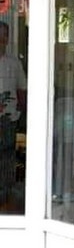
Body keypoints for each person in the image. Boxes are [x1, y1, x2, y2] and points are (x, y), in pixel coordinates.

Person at [0, 20, 27, 208]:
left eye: (5, 35)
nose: (2, 39)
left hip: (10, 119)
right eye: (0, 35)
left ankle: (6, 195)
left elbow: (21, 90)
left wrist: (23, 113)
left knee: (9, 157)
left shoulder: (14, 62)